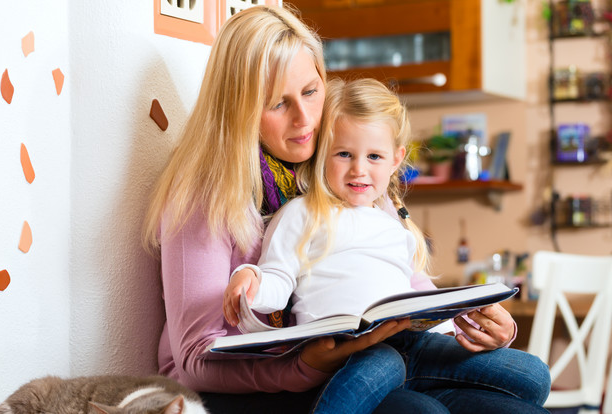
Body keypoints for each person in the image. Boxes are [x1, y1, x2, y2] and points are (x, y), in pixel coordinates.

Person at [142, 5, 548, 413]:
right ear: (239, 109)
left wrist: (477, 327)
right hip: (251, 386)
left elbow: (409, 288)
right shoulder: (203, 192)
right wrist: (303, 367)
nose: (304, 120)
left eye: (310, 91)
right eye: (277, 104)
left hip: (373, 356)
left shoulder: (341, 170)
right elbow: (195, 360)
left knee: (519, 407)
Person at [223, 77, 551, 414]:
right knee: (385, 361)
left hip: (414, 343)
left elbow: (418, 298)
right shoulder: (302, 214)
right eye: (344, 154)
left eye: (374, 156)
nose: (359, 169)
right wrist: (250, 282)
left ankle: (416, 381)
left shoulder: (393, 222)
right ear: (323, 153)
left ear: (396, 159)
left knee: (533, 375)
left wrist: (464, 322)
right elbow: (277, 279)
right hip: (351, 348)